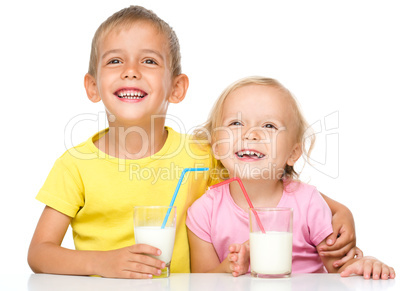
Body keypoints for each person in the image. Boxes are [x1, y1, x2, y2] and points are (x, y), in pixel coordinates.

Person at [28, 6, 355, 279]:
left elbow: (273, 178)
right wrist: (101, 262)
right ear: (92, 86)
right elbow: (39, 253)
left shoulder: (201, 154)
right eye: (115, 61)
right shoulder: (75, 165)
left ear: (176, 88)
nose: (130, 72)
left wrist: (340, 211)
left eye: (149, 61)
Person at [186, 76, 395, 279]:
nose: (250, 134)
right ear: (215, 146)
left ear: (293, 153)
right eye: (236, 123)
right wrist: (228, 267)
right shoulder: (203, 212)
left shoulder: (308, 202)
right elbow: (201, 280)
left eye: (269, 126)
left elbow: (339, 269)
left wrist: (364, 263)